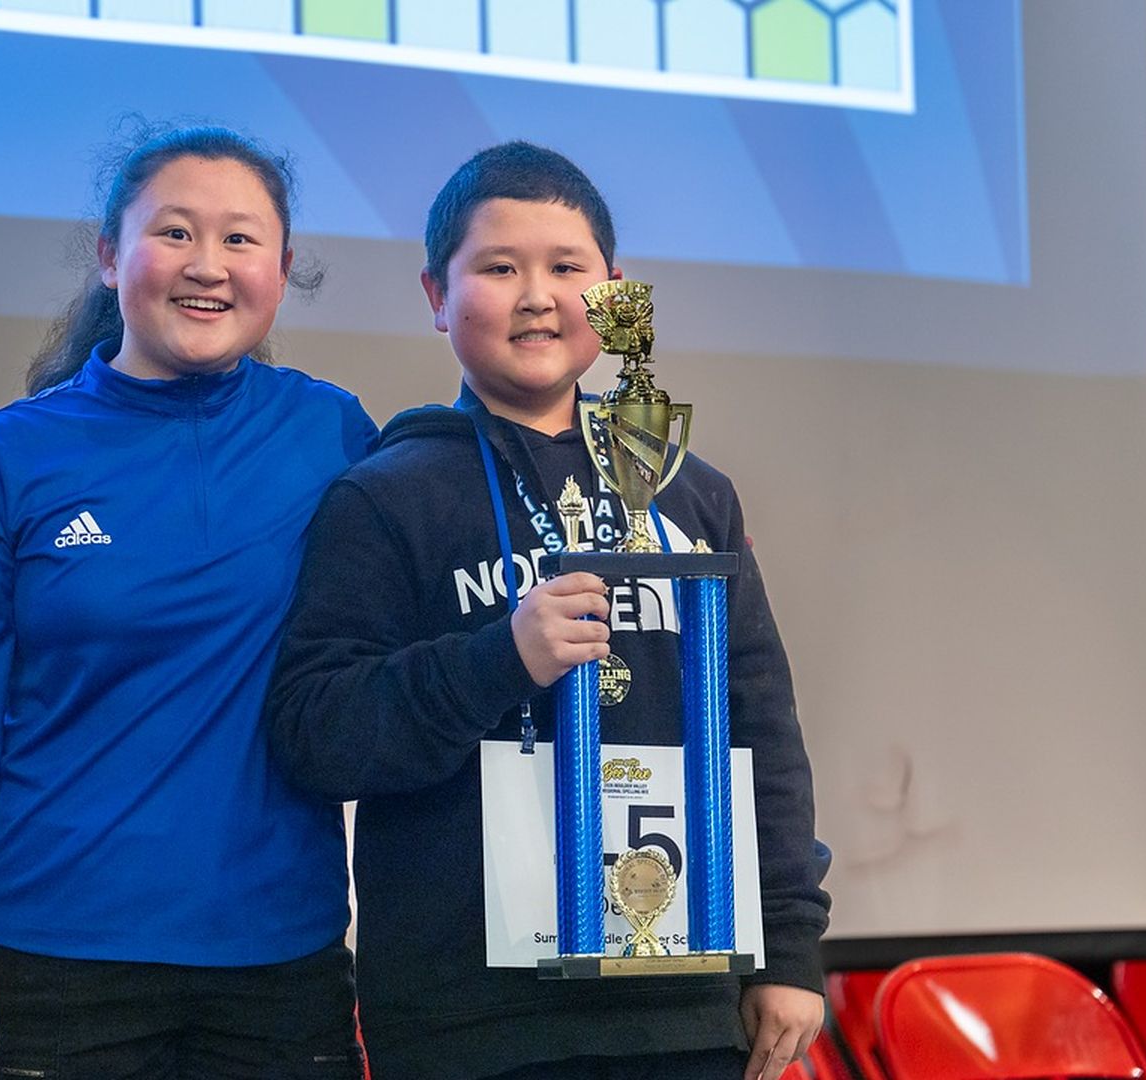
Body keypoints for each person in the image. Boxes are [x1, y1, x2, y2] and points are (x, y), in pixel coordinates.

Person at [266, 142, 831, 1080]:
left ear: (615, 294)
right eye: (498, 267)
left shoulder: (691, 496)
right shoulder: (383, 497)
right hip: (471, 1019)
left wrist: (789, 947)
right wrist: (500, 658)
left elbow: (760, 728)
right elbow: (316, 732)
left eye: (567, 268)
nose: (537, 295)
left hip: (679, 1000)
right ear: (436, 296)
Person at [0, 124, 379, 1080]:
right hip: (53, 967)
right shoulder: (2, 459)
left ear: (282, 271)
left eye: (242, 240)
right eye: (175, 233)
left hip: (281, 962)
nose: (208, 266)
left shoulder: (332, 431)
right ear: (112, 256)